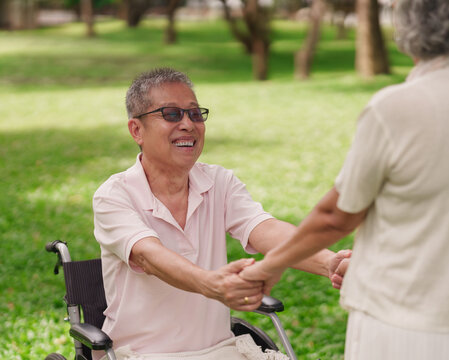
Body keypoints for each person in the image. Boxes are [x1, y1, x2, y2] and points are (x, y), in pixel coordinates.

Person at [241, 0, 449, 359]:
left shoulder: (399, 106)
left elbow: (336, 216)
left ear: (419, 21)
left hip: (404, 322)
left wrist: (269, 266)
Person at [92, 68, 350, 360]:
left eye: (195, 114)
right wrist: (211, 284)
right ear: (136, 130)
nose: (188, 124)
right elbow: (149, 257)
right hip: (142, 354)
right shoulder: (114, 195)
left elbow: (265, 230)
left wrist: (330, 261)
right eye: (172, 114)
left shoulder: (219, 182)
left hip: (220, 352)